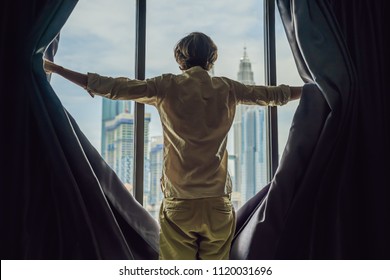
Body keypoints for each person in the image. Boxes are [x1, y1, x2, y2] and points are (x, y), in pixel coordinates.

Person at [43, 31, 302, 260]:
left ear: (180, 59)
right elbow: (275, 95)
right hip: (217, 204)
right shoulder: (227, 89)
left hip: (180, 202)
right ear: (211, 60)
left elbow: (113, 87)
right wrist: (313, 87)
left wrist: (56, 69)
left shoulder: (166, 86)